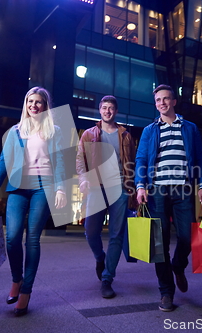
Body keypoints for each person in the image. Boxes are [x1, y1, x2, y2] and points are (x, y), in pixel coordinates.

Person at [0, 87, 67, 317]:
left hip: (44, 187)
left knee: (32, 238)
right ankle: (16, 280)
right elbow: (4, 160)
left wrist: (60, 188)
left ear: (45, 106)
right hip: (18, 187)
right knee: (12, 237)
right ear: (26, 103)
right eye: (30, 101)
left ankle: (26, 291)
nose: (34, 105)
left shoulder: (54, 131)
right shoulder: (15, 131)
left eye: (39, 102)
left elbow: (60, 161)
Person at [135, 84, 202, 312]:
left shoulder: (189, 128)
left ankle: (178, 265)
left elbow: (200, 157)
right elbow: (141, 159)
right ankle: (166, 292)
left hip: (184, 189)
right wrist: (140, 186)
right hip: (157, 190)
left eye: (166, 99)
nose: (162, 103)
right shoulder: (149, 130)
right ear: (155, 104)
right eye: (158, 100)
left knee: (187, 237)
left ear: (174, 101)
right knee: (160, 243)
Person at [76, 95, 136, 299]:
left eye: (111, 108)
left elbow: (132, 162)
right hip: (96, 187)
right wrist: (83, 178)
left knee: (116, 235)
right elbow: (79, 158)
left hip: (119, 188)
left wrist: (133, 187)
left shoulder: (126, 135)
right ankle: (100, 258)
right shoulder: (89, 134)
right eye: (104, 108)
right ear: (99, 110)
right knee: (90, 231)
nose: (107, 111)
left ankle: (107, 279)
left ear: (115, 111)